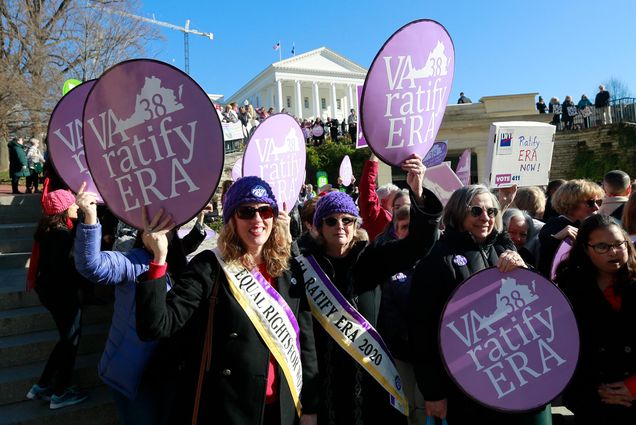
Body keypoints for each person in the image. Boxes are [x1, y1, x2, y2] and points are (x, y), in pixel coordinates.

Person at [136, 176, 319, 425]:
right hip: (231, 408)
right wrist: (159, 259)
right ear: (232, 219)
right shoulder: (209, 268)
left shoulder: (289, 270)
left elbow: (304, 343)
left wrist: (309, 407)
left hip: (284, 408)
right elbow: (156, 325)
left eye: (265, 211)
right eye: (247, 211)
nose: (257, 220)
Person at [298, 154, 443, 424]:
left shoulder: (371, 259)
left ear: (356, 226)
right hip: (324, 385)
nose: (339, 226)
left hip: (371, 380)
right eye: (330, 221)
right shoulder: (304, 267)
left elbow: (420, 245)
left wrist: (418, 190)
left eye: (347, 220)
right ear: (318, 227)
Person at [409, 184, 551, 424]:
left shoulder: (503, 248)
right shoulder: (436, 261)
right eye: (476, 211)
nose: (485, 218)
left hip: (515, 376)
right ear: (457, 213)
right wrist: (433, 393)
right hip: (465, 387)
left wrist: (525, 271)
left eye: (491, 212)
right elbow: (422, 333)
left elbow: (538, 301)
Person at [73, 182, 208, 424]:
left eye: (164, 228)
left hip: (169, 373)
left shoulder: (180, 267)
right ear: (140, 232)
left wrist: (198, 220)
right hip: (134, 378)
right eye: (150, 228)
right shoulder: (131, 263)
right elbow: (90, 265)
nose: (157, 234)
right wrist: (90, 216)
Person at [555, 214, 636, 423]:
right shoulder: (568, 288)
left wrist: (633, 387)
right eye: (602, 246)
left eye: (619, 244)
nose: (614, 252)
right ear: (585, 249)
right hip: (592, 401)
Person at [25, 179, 89, 409]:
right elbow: (67, 268)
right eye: (72, 205)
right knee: (70, 342)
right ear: (63, 210)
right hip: (62, 296)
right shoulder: (61, 236)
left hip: (50, 293)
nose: (76, 207)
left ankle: (42, 385)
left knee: (65, 339)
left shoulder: (49, 230)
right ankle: (60, 392)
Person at [376, 205, 426, 425]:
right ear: (396, 231)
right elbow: (387, 312)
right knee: (406, 408)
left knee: (426, 408)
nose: (410, 232)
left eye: (414, 227)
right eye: (404, 227)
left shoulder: (434, 259)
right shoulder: (387, 262)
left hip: (430, 355)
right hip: (401, 354)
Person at [538, 179, 604, 277]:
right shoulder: (554, 225)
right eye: (590, 203)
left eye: (598, 202)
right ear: (571, 203)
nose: (596, 207)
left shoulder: (588, 226)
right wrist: (557, 238)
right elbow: (545, 249)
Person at [359, 152, 401, 241]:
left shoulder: (401, 217)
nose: (401, 199)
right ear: (384, 201)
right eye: (397, 197)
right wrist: (376, 153)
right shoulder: (376, 215)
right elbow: (367, 187)